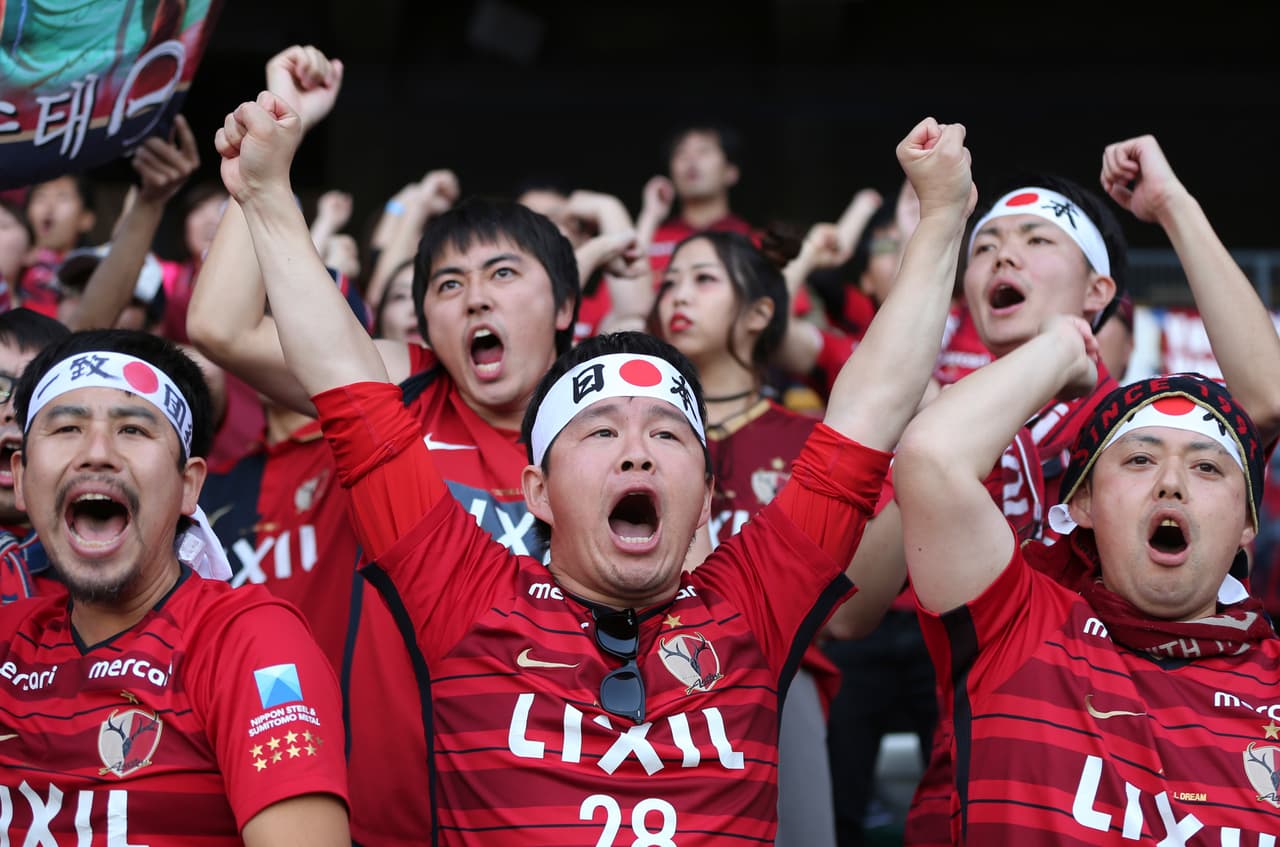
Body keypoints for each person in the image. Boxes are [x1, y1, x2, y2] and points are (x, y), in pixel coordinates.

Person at [217, 85, 974, 844]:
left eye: (668, 435)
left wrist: (942, 218)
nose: (637, 449)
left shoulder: (755, 602)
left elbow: (873, 406)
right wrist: (268, 194)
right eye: (601, 432)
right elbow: (344, 379)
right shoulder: (464, 595)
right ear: (537, 491)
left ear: (707, 495)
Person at [186, 45, 581, 846]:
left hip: (562, 810)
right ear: (425, 319)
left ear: (567, 305)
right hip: (391, 820)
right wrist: (274, 140)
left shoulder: (610, 422)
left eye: (503, 273)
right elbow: (220, 326)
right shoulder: (401, 385)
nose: (475, 297)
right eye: (448, 284)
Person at [900, 135, 1280, 845]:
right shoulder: (941, 428)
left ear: (1100, 292)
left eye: (1036, 238)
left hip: (1174, 737)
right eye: (984, 246)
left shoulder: (1133, 424)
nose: (1004, 257)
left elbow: (1265, 400)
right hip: (992, 751)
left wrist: (1171, 204)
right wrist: (930, 242)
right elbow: (855, 607)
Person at [0, 329, 348, 843]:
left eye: (133, 430)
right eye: (68, 427)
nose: (97, 453)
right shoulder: (7, 640)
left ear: (189, 486)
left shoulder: (248, 643)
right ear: (22, 477)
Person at [654, 229, 839, 846]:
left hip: (780, 681)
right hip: (642, 678)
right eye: (670, 282)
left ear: (760, 313)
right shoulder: (632, 439)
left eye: (703, 279)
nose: (678, 295)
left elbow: (845, 615)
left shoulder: (809, 440)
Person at [642, 122, 756, 277]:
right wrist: (650, 216)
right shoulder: (651, 239)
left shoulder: (755, 243)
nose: (691, 160)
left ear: (731, 171)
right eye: (681, 152)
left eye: (703, 151)